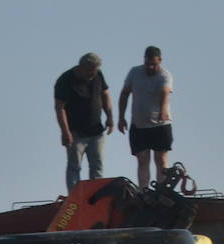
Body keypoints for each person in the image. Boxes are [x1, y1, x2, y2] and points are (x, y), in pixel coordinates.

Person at [54, 52, 113, 190]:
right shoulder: (66, 80)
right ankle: (75, 196)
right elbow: (59, 108)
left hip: (96, 131)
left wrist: (110, 117)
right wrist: (65, 132)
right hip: (75, 134)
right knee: (74, 166)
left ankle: (96, 196)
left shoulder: (98, 75)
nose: (93, 73)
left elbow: (105, 95)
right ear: (81, 67)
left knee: (97, 165)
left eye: (95, 70)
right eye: (90, 70)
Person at [119, 46, 173, 188]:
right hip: (139, 125)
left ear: (159, 60)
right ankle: (144, 191)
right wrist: (121, 117)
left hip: (160, 124)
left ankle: (162, 190)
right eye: (147, 63)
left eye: (153, 64)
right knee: (142, 160)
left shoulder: (165, 75)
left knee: (161, 160)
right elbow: (124, 93)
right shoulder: (135, 72)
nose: (150, 67)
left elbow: (165, 92)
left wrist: (163, 110)